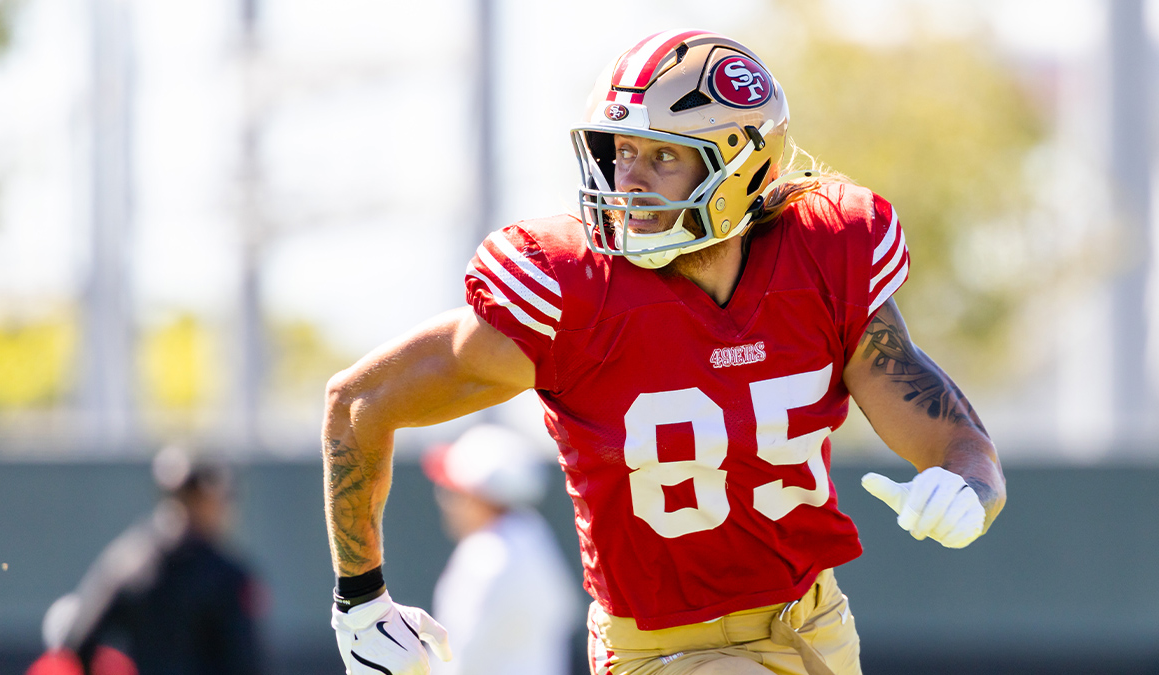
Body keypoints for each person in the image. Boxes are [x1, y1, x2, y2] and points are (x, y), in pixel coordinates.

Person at [323, 30, 1006, 675]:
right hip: (663, 652)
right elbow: (358, 402)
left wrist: (968, 488)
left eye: (663, 157)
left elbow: (955, 440)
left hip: (817, 626)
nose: (629, 181)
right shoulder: (573, 293)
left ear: (744, 167)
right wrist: (360, 603)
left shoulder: (825, 257)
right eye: (621, 151)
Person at [40, 446, 267, 675]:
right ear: (202, 501)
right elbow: (246, 663)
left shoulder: (129, 560)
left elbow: (77, 641)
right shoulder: (224, 575)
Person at [422, 424, 579, 675]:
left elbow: (457, 661)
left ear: (477, 497)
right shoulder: (532, 532)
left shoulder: (484, 557)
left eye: (453, 489)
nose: (444, 499)